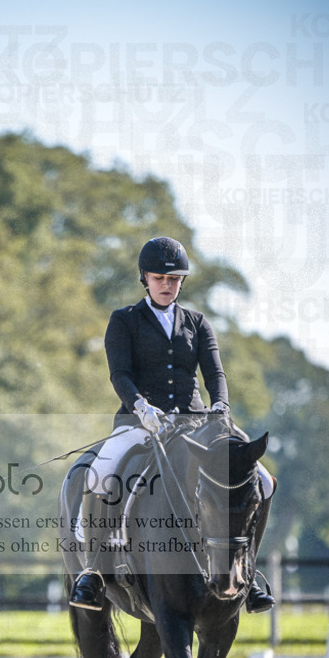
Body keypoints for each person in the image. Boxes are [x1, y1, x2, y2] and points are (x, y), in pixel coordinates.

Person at [69, 235, 275, 613]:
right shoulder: (124, 320)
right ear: (144, 278)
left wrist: (221, 406)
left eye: (174, 279)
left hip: (197, 424)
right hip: (139, 422)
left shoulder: (197, 323)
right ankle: (93, 571)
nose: (167, 284)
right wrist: (141, 407)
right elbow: (120, 374)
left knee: (261, 480)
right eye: (160, 278)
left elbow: (214, 373)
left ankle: (250, 572)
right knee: (100, 473)